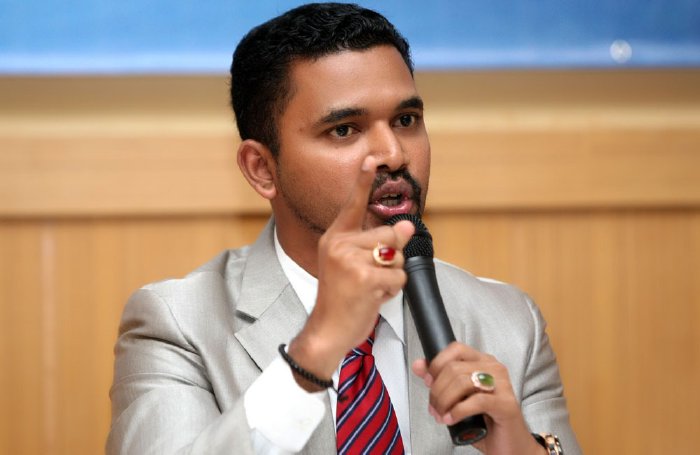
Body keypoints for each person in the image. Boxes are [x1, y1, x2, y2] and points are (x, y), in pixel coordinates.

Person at [107, 3, 581, 454]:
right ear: (262, 169)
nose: (393, 153)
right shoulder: (179, 325)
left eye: (406, 120)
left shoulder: (509, 323)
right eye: (344, 130)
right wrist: (314, 351)